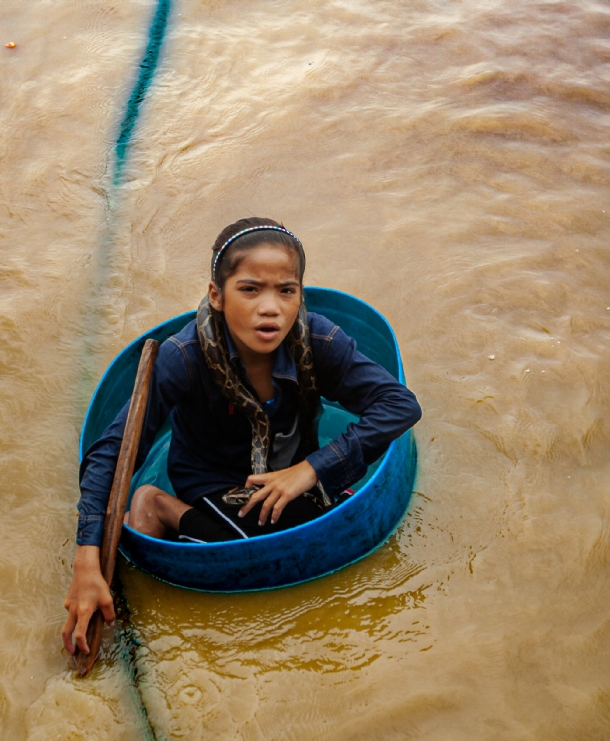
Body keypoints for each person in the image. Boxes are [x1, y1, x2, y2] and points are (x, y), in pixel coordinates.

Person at [62, 218, 421, 655]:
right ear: (217, 295)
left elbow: (399, 405)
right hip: (213, 477)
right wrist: (85, 560)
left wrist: (310, 469)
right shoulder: (183, 357)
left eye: (286, 291)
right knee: (258, 551)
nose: (270, 308)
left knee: (326, 530)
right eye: (250, 289)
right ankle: (158, 503)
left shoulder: (319, 339)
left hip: (291, 470)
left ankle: (235, 509)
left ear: (300, 296)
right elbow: (112, 452)